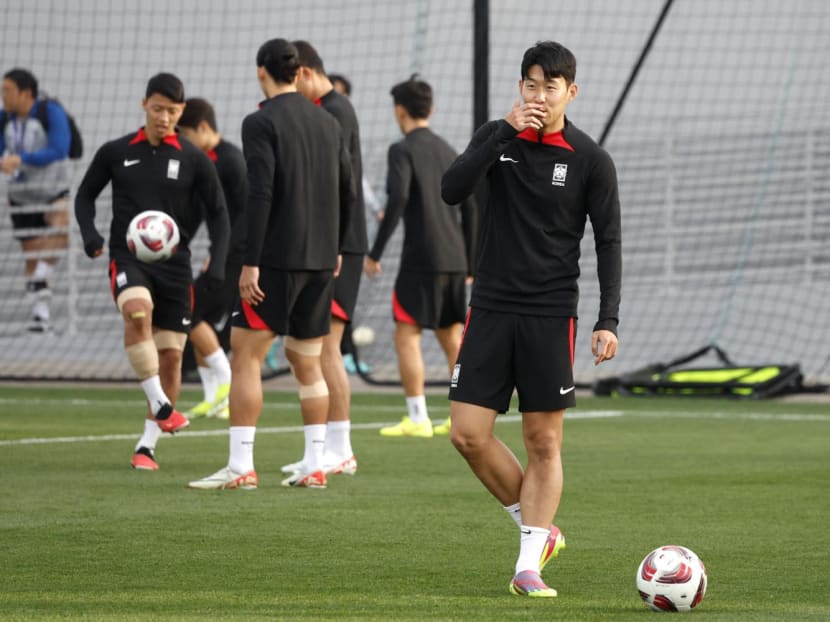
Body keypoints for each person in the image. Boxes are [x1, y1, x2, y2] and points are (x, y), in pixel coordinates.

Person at [441, 41, 621, 597]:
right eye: (532, 85)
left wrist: (608, 319)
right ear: (520, 87)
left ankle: (527, 566)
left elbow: (609, 241)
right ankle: (539, 529)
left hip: (549, 314)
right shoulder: (497, 137)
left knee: (543, 441)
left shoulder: (590, 159)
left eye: (551, 86)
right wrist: (502, 132)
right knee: (466, 434)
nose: (540, 96)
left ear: (572, 91)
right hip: (491, 308)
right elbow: (451, 189)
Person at [189, 38, 354, 491]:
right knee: (307, 361)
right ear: (299, 72)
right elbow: (347, 188)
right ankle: (315, 463)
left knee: (245, 355)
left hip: (278, 260)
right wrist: (337, 247)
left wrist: (251, 262)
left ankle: (241, 465)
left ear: (261, 71)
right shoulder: (328, 120)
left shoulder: (259, 122)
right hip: (321, 261)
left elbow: (259, 193)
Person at [75, 73, 230, 471]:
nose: (164, 117)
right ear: (144, 104)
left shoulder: (194, 158)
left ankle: (146, 447)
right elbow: (85, 195)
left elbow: (219, 212)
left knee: (172, 359)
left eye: (172, 111)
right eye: (158, 108)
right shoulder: (115, 152)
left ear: (181, 112)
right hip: (128, 258)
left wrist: (219, 260)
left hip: (175, 267)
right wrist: (90, 235)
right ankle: (162, 405)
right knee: (137, 312)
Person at [364, 76, 476, 439]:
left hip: (421, 259)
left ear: (399, 111)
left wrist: (375, 252)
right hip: (455, 259)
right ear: (432, 109)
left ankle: (418, 417)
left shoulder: (402, 150)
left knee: (406, 335)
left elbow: (397, 198)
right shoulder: (450, 151)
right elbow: (471, 207)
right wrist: (471, 261)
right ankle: (463, 417)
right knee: (452, 338)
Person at [275, 40, 367, 478]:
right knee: (310, 347)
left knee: (327, 345)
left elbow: (337, 184)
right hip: (326, 244)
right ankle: (326, 447)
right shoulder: (328, 110)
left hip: (339, 246)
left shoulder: (335, 111)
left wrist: (332, 244)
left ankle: (341, 448)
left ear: (306, 73)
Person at [177, 97, 248, 420]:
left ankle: (226, 382)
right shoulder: (201, 162)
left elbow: (246, 214)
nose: (184, 141)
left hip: (237, 257)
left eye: (186, 134)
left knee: (189, 310)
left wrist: (222, 254)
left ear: (203, 127)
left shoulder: (231, 160)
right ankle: (213, 396)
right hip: (219, 254)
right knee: (191, 315)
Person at [0, 68, 72, 332]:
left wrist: (22, 159)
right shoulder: (4, 119)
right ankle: (40, 317)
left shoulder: (49, 111)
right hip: (21, 196)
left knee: (63, 228)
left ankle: (40, 277)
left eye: (7, 90)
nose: (3, 95)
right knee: (33, 256)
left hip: (52, 190)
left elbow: (59, 149)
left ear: (26, 93)